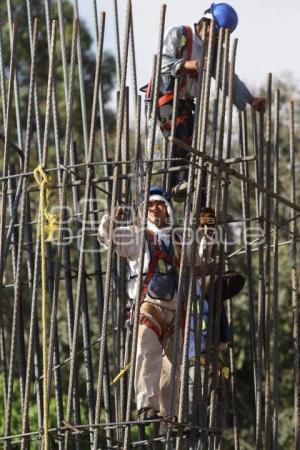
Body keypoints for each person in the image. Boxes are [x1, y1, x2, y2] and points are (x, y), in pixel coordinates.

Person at [151, 3, 267, 199]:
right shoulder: (180, 34)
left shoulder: (213, 52)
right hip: (167, 100)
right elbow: (161, 62)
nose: (216, 39)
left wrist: (249, 99)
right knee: (177, 133)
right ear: (207, 22)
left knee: (196, 148)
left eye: (221, 36)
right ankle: (173, 187)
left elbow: (228, 78)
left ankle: (201, 208)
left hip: (187, 105)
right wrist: (187, 64)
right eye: (216, 32)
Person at [98, 187, 185, 422]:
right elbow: (107, 238)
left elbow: (198, 264)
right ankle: (147, 404)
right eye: (150, 205)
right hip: (148, 303)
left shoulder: (179, 240)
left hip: (175, 308)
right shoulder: (137, 235)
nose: (155, 209)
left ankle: (171, 415)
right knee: (147, 350)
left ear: (168, 209)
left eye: (160, 204)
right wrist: (111, 218)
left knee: (173, 365)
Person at [187, 207, 245, 447]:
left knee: (214, 424)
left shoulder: (214, 301)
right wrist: (207, 234)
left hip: (213, 363)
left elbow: (230, 277)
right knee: (192, 418)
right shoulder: (193, 293)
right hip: (194, 365)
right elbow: (202, 254)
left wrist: (209, 233)